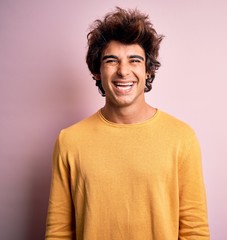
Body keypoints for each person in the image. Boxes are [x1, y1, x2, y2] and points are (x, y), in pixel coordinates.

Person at [45, 7, 209, 239]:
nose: (123, 71)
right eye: (112, 60)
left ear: (148, 70)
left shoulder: (182, 138)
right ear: (96, 71)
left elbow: (194, 230)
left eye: (135, 60)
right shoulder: (69, 141)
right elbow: (58, 232)